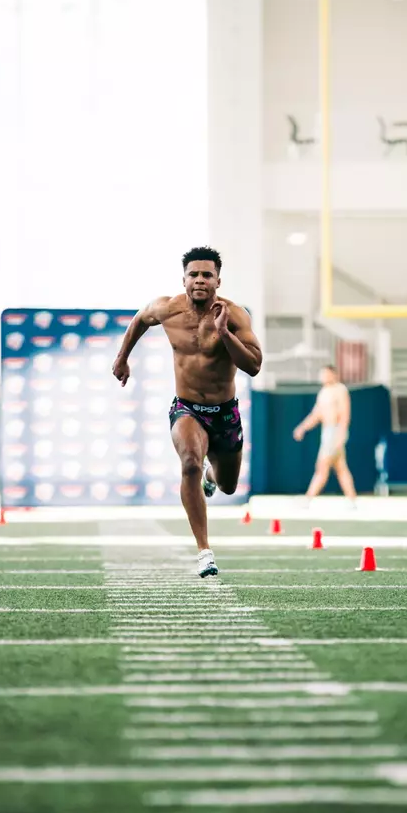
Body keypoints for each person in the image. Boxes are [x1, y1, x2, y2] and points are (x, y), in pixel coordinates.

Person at [112, 246, 262, 578]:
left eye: (207, 275)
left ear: (218, 281)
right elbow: (139, 320)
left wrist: (224, 333)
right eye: (193, 274)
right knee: (191, 462)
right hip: (187, 407)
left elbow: (253, 366)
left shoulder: (235, 315)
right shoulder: (167, 309)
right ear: (183, 279)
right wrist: (122, 358)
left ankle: (212, 476)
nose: (199, 280)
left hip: (224, 413)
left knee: (227, 486)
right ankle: (204, 551)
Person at [292, 365, 357, 504]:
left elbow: (345, 414)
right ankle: (352, 500)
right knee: (341, 468)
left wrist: (341, 434)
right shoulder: (323, 393)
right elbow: (316, 415)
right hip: (327, 432)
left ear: (333, 374)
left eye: (326, 374)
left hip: (335, 431)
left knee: (322, 467)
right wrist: (302, 428)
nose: (323, 377)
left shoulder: (340, 390)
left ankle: (308, 499)